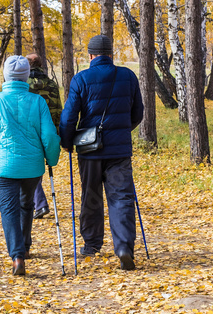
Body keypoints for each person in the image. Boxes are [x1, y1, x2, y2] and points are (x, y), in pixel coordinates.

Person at [59, 35, 144, 271]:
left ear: (90, 55)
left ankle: (92, 244)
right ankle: (124, 247)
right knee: (122, 198)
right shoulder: (127, 76)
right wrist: (121, 132)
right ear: (110, 54)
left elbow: (68, 117)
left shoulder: (81, 79)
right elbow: (138, 113)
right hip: (119, 152)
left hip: (89, 151)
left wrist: (67, 142)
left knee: (91, 196)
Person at [0, 55, 60, 276]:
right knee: (26, 204)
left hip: (3, 166)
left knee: (9, 208)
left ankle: (17, 256)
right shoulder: (38, 101)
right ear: (25, 76)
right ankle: (26, 246)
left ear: (6, 75)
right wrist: (52, 159)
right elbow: (50, 136)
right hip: (32, 166)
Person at [25, 53, 63, 220]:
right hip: (49, 132)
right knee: (36, 168)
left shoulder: (24, 84)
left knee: (30, 170)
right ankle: (39, 203)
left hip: (29, 132)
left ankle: (39, 204)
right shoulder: (52, 84)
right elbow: (58, 109)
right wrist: (58, 132)